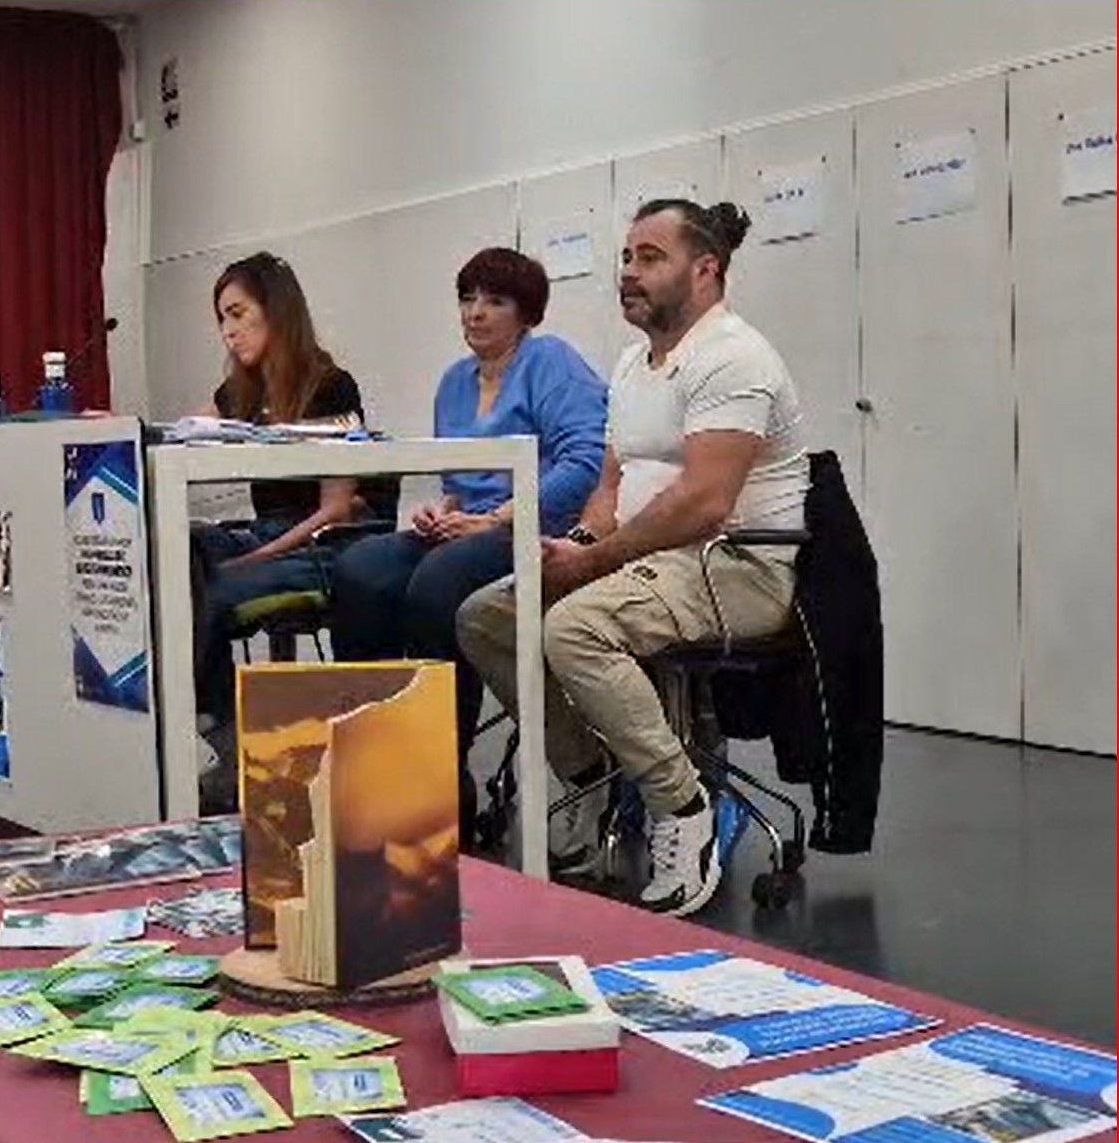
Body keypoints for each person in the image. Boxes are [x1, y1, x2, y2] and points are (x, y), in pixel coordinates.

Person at [456, 199, 810, 917]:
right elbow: (610, 484)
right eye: (627, 258)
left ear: (705, 269)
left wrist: (595, 563)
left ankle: (682, 810)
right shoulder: (631, 363)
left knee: (575, 626)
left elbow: (706, 501)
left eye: (650, 258)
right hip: (653, 559)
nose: (629, 272)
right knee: (489, 616)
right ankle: (589, 775)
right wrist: (581, 544)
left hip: (735, 566)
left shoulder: (734, 356)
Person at [328, 247, 606, 841]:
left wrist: (499, 518)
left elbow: (585, 463)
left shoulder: (551, 362)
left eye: (495, 301)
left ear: (525, 313)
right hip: (467, 526)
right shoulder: (454, 381)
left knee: (436, 587)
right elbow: (456, 481)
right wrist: (439, 509)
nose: (476, 312)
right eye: (468, 298)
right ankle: (377, 757)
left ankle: (442, 780)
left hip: (536, 529)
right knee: (358, 570)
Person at [192, 252, 365, 758]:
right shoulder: (240, 391)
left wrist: (252, 558)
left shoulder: (332, 386)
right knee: (182, 551)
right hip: (263, 533)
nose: (228, 331)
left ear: (277, 310)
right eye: (222, 319)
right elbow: (184, 433)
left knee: (211, 589)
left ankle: (222, 736)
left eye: (238, 314)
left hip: (321, 543)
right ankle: (215, 722)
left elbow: (336, 508)